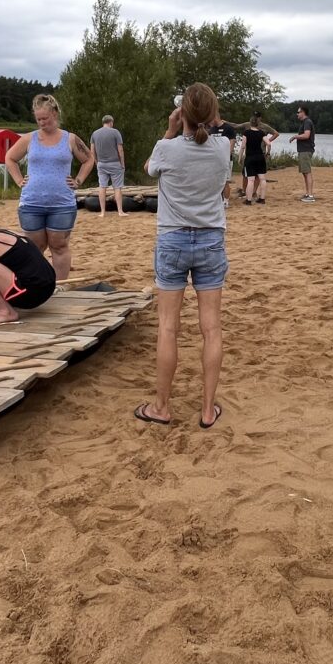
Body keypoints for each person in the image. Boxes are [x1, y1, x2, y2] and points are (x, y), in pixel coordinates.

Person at [135, 82, 231, 429]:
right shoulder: (223, 149)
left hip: (173, 239)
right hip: (210, 240)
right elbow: (222, 179)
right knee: (212, 329)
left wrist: (170, 129)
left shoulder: (166, 148)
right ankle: (207, 410)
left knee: (168, 328)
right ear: (213, 115)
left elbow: (149, 168)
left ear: (182, 114)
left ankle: (161, 406)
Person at [6, 94, 95, 282]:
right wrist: (19, 180)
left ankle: (60, 284)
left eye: (45, 118)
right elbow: (10, 158)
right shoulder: (29, 138)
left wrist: (78, 180)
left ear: (54, 114)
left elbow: (88, 160)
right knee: (34, 247)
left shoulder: (70, 139)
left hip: (62, 203)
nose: (41, 123)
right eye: (38, 119)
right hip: (32, 203)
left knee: (59, 245)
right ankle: (38, 283)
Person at [233, 111, 278, 204]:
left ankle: (248, 200)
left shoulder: (246, 132)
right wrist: (268, 153)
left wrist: (240, 157)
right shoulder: (261, 133)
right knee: (262, 178)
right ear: (258, 123)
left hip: (250, 157)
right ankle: (262, 198)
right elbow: (268, 143)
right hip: (260, 157)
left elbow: (243, 146)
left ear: (250, 122)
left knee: (250, 179)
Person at [90, 115, 126, 216]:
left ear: (103, 122)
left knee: (102, 186)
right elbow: (120, 150)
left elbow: (92, 151)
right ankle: (120, 211)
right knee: (117, 187)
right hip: (115, 163)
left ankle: (102, 212)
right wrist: (122, 163)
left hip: (101, 164)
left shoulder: (95, 134)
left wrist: (97, 163)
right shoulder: (115, 132)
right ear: (111, 122)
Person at [288, 105, 317, 201]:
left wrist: (295, 136)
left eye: (298, 112)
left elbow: (307, 135)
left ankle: (310, 196)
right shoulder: (305, 122)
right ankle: (307, 193)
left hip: (306, 150)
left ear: (303, 112)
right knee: (305, 172)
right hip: (303, 150)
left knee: (307, 172)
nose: (297, 114)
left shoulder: (307, 122)